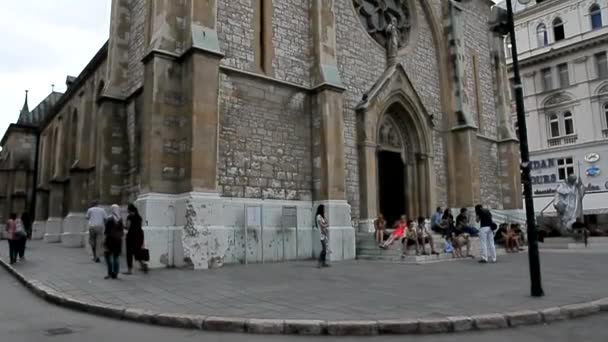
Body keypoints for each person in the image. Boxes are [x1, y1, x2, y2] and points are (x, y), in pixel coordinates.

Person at [124, 204, 148, 275]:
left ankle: (129, 270)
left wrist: (123, 226)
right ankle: (143, 264)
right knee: (137, 252)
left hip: (131, 236)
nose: (127, 211)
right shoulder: (139, 217)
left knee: (129, 253)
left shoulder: (129, 217)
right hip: (139, 236)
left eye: (128, 209)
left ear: (130, 210)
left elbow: (128, 227)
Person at [104, 204, 124, 279]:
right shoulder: (120, 219)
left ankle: (109, 273)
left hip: (110, 241)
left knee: (108, 257)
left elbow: (106, 232)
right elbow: (122, 231)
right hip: (118, 241)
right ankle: (115, 273)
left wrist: (105, 241)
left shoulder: (109, 219)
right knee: (116, 257)